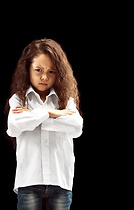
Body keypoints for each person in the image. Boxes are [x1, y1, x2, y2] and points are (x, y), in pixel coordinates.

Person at [5, 38, 83, 210]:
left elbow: (76, 127)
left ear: (59, 73)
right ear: (28, 70)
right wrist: (50, 113)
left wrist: (33, 118)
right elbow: (13, 127)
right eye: (38, 70)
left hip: (60, 180)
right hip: (29, 180)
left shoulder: (66, 100)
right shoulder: (19, 100)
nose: (44, 77)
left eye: (51, 71)